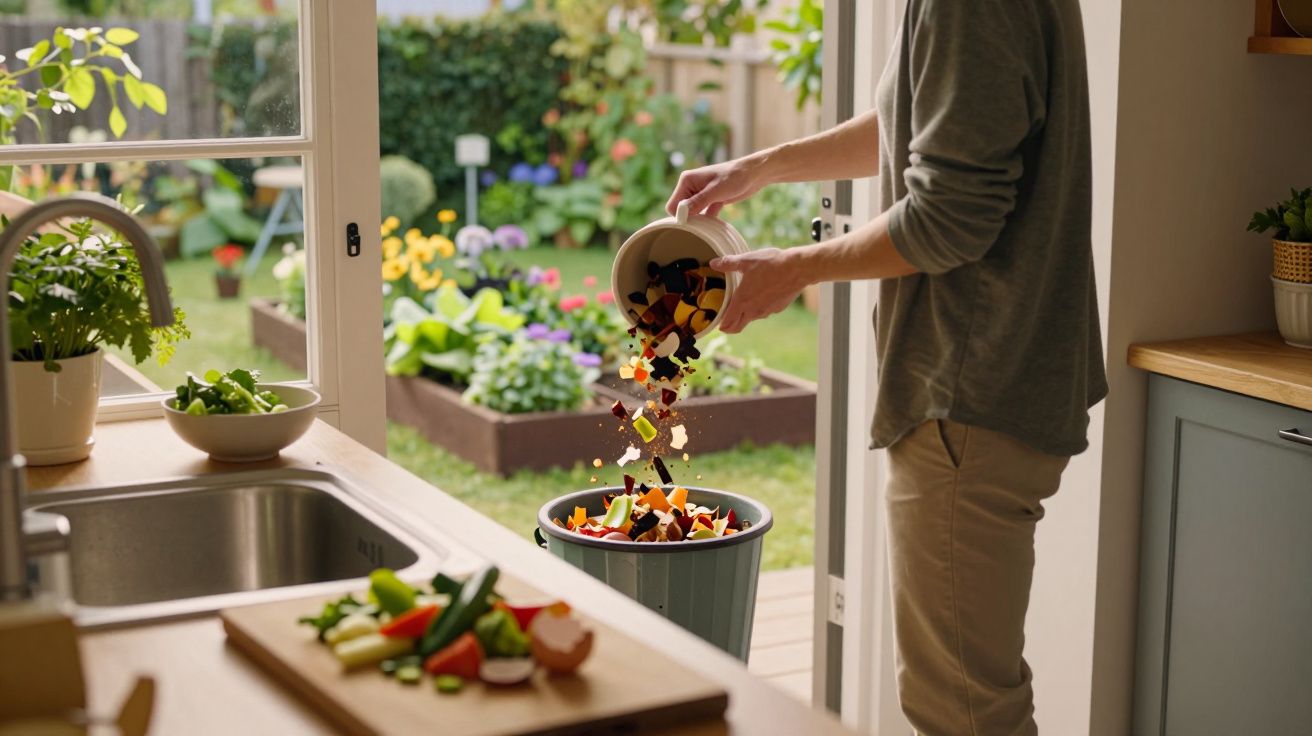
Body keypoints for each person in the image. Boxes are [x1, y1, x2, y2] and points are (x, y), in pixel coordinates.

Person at [666, 0, 1105, 733]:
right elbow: (924, 120)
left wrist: (794, 269)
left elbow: (950, 216)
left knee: (962, 712)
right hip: (998, 377)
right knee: (971, 697)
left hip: (970, 391)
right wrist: (763, 167)